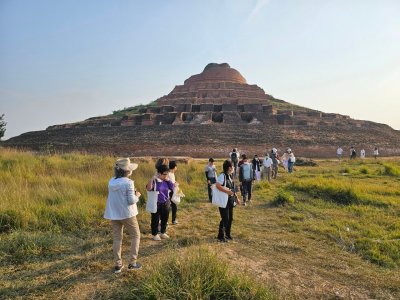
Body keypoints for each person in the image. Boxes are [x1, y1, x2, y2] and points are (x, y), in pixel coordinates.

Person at [104, 157, 142, 273]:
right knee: (136, 235)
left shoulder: (111, 181)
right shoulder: (129, 183)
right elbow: (131, 200)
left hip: (114, 214)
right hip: (127, 214)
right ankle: (132, 263)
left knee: (117, 238)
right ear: (127, 170)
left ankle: (118, 264)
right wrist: (138, 196)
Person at [146, 164, 175, 241]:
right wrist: (152, 179)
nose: (166, 176)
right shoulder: (155, 181)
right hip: (157, 204)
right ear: (159, 173)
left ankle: (163, 232)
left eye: (167, 174)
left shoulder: (166, 180)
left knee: (165, 218)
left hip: (166, 202)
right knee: (155, 219)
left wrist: (168, 180)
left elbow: (172, 187)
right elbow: (148, 188)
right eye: (164, 174)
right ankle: (155, 234)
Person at [215, 160, 240, 242]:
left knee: (230, 218)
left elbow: (232, 189)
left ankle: (228, 234)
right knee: (225, 218)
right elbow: (217, 185)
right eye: (232, 166)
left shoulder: (229, 176)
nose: (233, 168)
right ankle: (220, 236)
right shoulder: (222, 176)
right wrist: (227, 192)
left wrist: (236, 198)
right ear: (229, 168)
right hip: (223, 201)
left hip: (230, 200)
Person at [168, 161, 179, 225]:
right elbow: (169, 183)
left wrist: (175, 182)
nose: (176, 168)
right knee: (172, 206)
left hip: (173, 191)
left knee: (174, 206)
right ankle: (172, 220)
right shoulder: (169, 174)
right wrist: (174, 184)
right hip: (169, 192)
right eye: (176, 166)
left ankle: (173, 220)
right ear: (174, 167)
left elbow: (172, 182)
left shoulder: (172, 174)